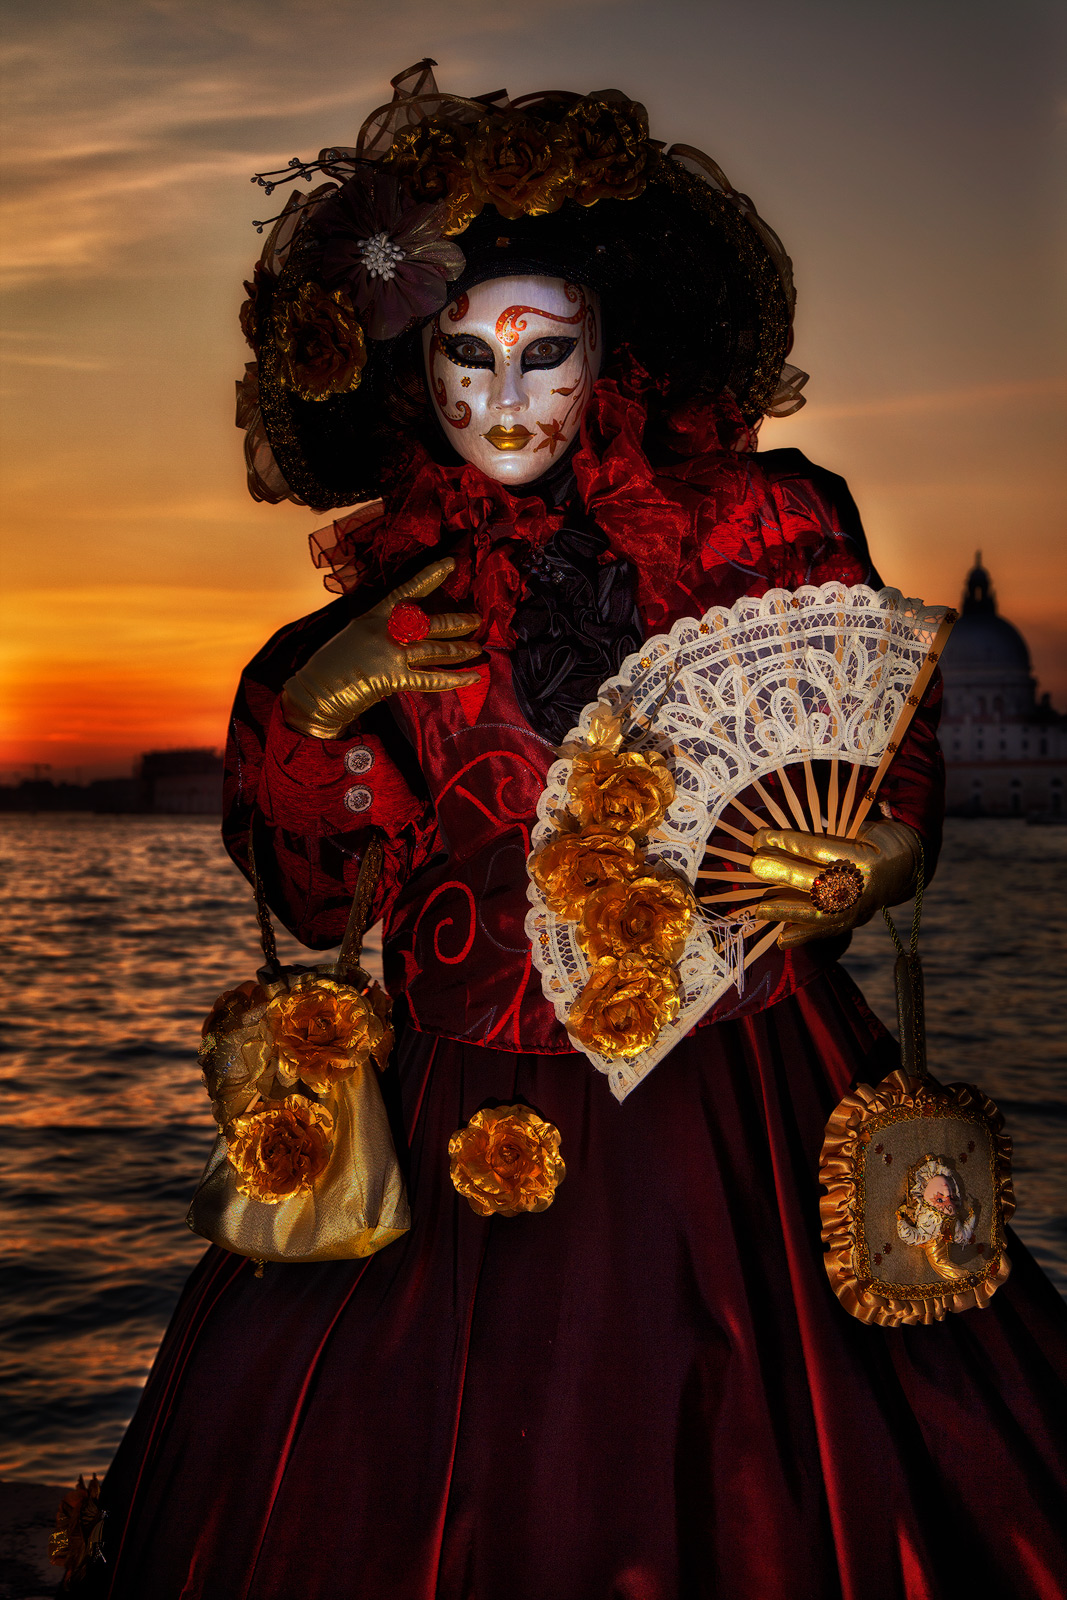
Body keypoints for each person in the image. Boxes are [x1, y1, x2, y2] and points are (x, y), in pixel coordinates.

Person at [88, 61, 1067, 1600]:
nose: (501, 403)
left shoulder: (768, 524)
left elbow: (889, 752)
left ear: (611, 354)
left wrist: (882, 850)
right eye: (463, 362)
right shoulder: (382, 611)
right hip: (453, 1097)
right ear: (415, 381)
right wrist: (306, 714)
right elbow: (321, 901)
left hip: (745, 1073)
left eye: (544, 356)